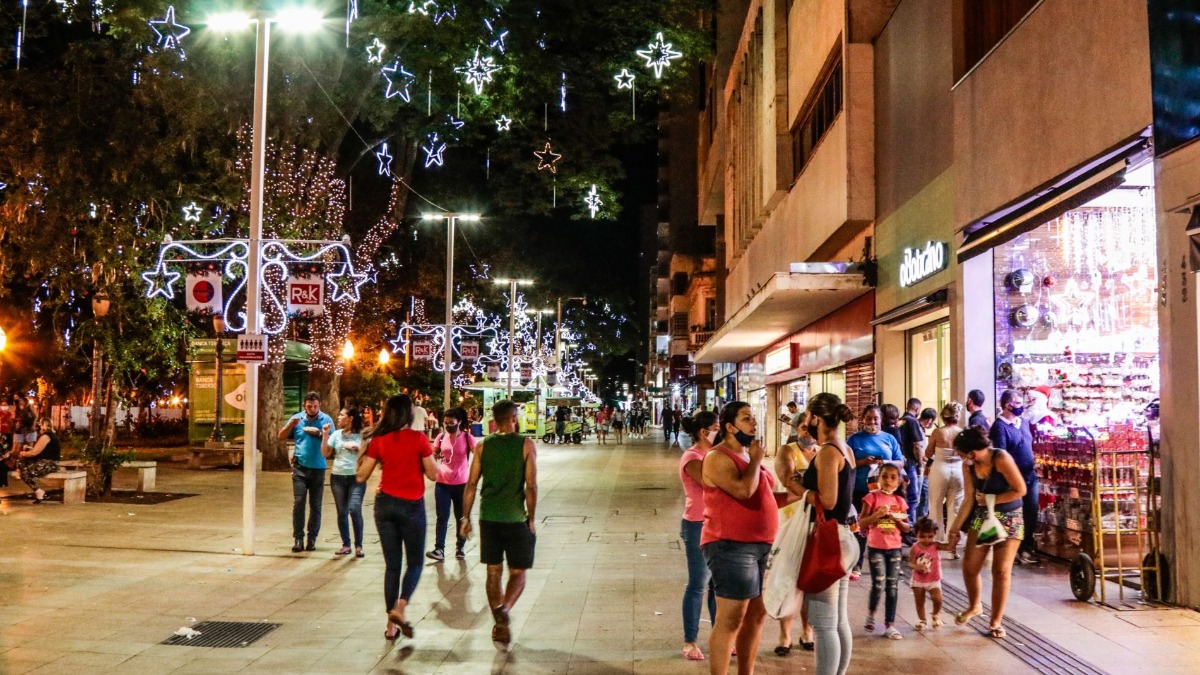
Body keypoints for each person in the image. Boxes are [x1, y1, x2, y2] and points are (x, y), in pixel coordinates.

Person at [701, 401, 796, 675]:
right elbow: (743, 491)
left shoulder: (747, 456)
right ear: (730, 427)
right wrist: (756, 459)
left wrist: (800, 493)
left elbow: (764, 497)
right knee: (732, 618)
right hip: (730, 546)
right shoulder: (718, 458)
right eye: (746, 419)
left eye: (753, 417)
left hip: (763, 545)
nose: (753, 423)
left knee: (756, 617)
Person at [357, 394, 437, 640]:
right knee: (414, 563)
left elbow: (361, 476)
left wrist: (364, 449)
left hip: (385, 506)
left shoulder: (379, 441)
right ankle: (400, 607)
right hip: (412, 507)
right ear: (409, 414)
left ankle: (390, 627)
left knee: (392, 566)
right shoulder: (419, 439)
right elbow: (433, 474)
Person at [460, 399, 539, 646]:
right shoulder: (526, 445)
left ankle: (499, 622)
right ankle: (504, 609)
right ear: (514, 418)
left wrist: (465, 517)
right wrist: (532, 518)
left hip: (489, 517)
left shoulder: (483, 447)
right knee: (518, 572)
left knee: (493, 571)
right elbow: (531, 486)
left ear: (494, 420)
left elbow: (471, 484)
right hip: (515, 518)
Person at [948, 426, 1027, 639]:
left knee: (1001, 571)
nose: (961, 457)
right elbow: (969, 498)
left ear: (972, 451)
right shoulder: (969, 467)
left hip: (1009, 517)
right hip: (982, 517)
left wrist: (992, 499)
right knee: (970, 566)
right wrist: (954, 528)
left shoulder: (1001, 458)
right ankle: (975, 605)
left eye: (962, 453)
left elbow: (1020, 490)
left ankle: (996, 621)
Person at [800, 392, 858, 675]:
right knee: (838, 621)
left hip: (829, 540)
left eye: (809, 416)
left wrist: (799, 488)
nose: (805, 422)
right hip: (844, 537)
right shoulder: (843, 448)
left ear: (818, 418)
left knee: (823, 625)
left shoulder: (827, 453)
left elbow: (829, 500)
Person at [773, 412, 817, 656]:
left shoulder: (823, 452)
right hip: (790, 521)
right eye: (803, 428)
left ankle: (807, 630)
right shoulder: (787, 451)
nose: (807, 433)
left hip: (814, 523)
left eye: (811, 428)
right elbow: (789, 480)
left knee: (809, 581)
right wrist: (814, 493)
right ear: (796, 429)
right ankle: (785, 634)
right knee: (788, 580)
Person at [678, 411, 719, 661]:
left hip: (717, 523)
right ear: (704, 432)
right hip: (696, 524)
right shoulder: (692, 457)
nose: (721, 433)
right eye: (716, 428)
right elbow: (713, 484)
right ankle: (690, 641)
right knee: (698, 583)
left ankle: (719, 635)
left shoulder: (712, 455)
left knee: (716, 584)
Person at [846, 404, 904, 579]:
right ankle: (856, 564)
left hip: (885, 493)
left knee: (886, 526)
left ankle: (890, 563)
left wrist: (887, 462)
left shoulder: (889, 439)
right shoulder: (854, 439)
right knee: (858, 528)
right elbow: (846, 462)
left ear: (881, 420)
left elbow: (900, 462)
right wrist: (863, 461)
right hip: (860, 490)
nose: (872, 422)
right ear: (863, 419)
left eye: (876, 419)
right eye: (869, 418)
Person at [858, 463, 910, 640]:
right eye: (885, 476)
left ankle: (890, 624)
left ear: (899, 481)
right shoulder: (871, 498)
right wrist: (876, 516)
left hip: (895, 548)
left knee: (892, 586)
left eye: (893, 477)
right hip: (876, 548)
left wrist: (897, 520)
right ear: (878, 478)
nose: (888, 480)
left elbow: (906, 527)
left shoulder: (899, 501)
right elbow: (862, 523)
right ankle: (871, 615)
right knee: (878, 584)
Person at [278, 392, 334, 553]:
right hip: (300, 467)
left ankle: (312, 538)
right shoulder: (297, 419)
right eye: (309, 406)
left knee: (316, 505)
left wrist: (321, 433)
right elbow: (280, 436)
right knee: (299, 502)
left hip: (319, 468)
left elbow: (332, 443)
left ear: (319, 405)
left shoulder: (326, 420)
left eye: (315, 406)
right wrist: (290, 425)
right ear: (304, 406)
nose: (312, 409)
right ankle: (298, 538)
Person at [989, 389, 1039, 566]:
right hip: (1013, 478)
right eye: (1018, 403)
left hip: (1030, 475)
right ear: (1008, 405)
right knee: (1017, 512)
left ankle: (1026, 545)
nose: (1021, 406)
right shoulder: (999, 427)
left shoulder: (1023, 423)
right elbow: (1001, 455)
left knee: (1031, 510)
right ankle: (1016, 549)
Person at [428, 406, 474, 562]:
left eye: (451, 422)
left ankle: (460, 547)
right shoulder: (441, 437)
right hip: (442, 483)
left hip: (462, 484)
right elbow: (433, 455)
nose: (448, 425)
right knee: (442, 517)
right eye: (445, 423)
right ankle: (439, 548)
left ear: (459, 422)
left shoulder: (468, 438)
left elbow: (479, 456)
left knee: (460, 517)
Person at [321, 406, 366, 557]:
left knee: (354, 508)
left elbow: (369, 457)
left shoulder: (361, 436)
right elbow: (325, 453)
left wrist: (356, 449)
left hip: (356, 477)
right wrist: (325, 435)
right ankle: (346, 544)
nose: (338, 418)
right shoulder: (336, 434)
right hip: (338, 477)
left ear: (350, 418)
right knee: (342, 511)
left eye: (342, 415)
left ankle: (359, 545)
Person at [926, 402, 965, 556]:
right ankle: (952, 547)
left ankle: (935, 542)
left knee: (935, 506)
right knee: (954, 509)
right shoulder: (962, 433)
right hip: (958, 471)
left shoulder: (937, 432)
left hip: (939, 469)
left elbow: (928, 453)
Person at [13, 418, 60, 503]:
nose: (38, 427)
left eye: (40, 425)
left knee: (24, 471)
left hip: (48, 464)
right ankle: (39, 492)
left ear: (43, 425)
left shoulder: (46, 436)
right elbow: (44, 450)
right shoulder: (50, 435)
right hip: (48, 463)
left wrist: (23, 453)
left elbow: (35, 452)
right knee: (23, 470)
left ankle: (39, 492)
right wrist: (29, 448)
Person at [909, 518, 944, 631]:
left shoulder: (936, 545)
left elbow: (949, 547)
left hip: (933, 579)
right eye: (922, 536)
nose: (926, 540)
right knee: (920, 601)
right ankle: (922, 620)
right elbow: (910, 563)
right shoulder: (915, 547)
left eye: (930, 536)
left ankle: (935, 614)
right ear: (917, 534)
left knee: (937, 598)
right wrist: (917, 567)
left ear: (934, 534)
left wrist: (954, 539)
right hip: (918, 580)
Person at [898, 398, 927, 526]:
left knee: (903, 496)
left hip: (899, 462)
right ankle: (911, 526)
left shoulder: (900, 421)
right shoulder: (913, 421)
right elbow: (917, 445)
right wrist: (920, 465)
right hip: (910, 464)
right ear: (917, 409)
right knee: (913, 498)